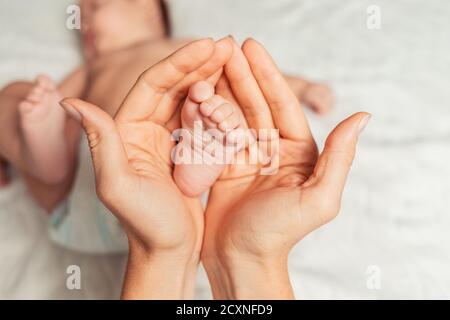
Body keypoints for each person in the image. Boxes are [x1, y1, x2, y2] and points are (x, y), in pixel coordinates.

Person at [61, 37, 370, 299]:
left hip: (134, 185)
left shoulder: (177, 48)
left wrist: (303, 87)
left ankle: (199, 152)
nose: (86, 21)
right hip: (98, 189)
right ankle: (204, 146)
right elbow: (57, 104)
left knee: (219, 104)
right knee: (52, 166)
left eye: (97, 7)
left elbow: (259, 83)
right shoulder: (91, 67)